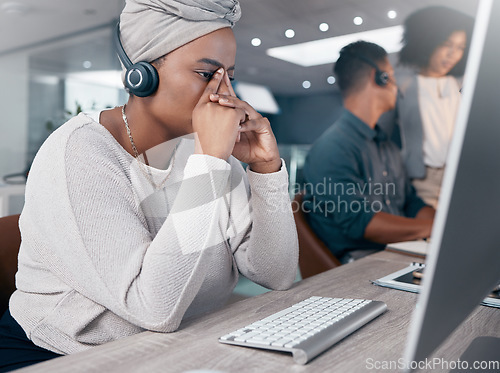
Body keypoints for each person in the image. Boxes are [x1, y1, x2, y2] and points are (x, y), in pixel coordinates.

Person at [0, 0, 299, 370]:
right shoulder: (79, 152)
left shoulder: (207, 152)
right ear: (141, 76)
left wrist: (266, 170)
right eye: (207, 74)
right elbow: (154, 307)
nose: (227, 96)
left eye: (230, 77)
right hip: (61, 356)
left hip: (174, 349)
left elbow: (277, 273)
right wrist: (209, 164)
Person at [302, 41, 435, 264]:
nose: (397, 86)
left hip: (399, 254)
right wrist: (432, 228)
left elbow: (411, 203)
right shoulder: (331, 149)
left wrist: (441, 223)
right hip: (362, 264)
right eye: (391, 75)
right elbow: (361, 223)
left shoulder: (388, 147)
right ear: (379, 77)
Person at [380, 6, 474, 208]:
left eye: (460, 48)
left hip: (462, 176)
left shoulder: (464, 83)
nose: (452, 54)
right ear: (427, 42)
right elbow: (381, 134)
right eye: (446, 44)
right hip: (423, 180)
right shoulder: (403, 84)